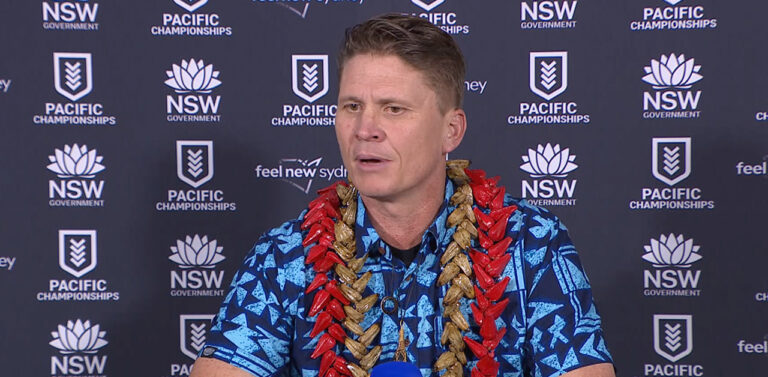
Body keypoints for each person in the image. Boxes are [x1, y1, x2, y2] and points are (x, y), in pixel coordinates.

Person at [191, 14, 615, 377]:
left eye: (393, 109)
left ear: (452, 130)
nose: (365, 130)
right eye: (352, 106)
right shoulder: (285, 256)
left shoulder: (531, 244)